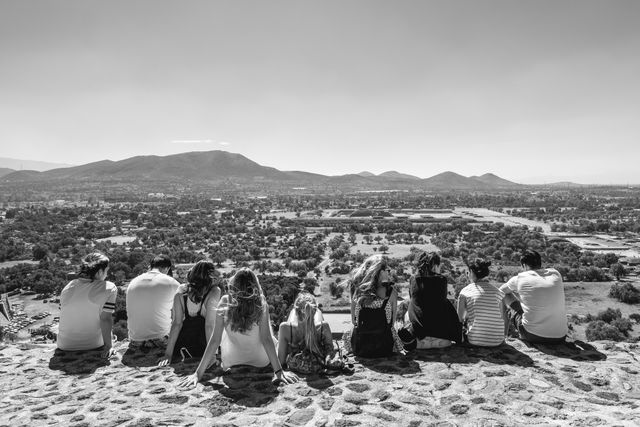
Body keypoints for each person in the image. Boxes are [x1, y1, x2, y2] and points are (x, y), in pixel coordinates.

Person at [179, 268, 298, 387]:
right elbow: (266, 339)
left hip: (233, 360)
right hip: (261, 360)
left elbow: (215, 340)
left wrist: (198, 374)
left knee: (224, 329)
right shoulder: (261, 303)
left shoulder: (225, 302)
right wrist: (278, 372)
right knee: (268, 333)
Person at [159, 260, 221, 365]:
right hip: (203, 344)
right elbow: (209, 325)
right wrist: (212, 356)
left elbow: (177, 324)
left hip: (183, 342)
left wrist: (168, 354)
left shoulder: (181, 290)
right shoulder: (214, 291)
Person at [499, 250, 567, 343]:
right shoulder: (555, 273)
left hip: (531, 335)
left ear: (524, 265)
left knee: (505, 295)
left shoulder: (520, 278)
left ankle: (503, 335)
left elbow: (501, 291)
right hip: (561, 336)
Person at [57, 252, 117, 358]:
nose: (107, 274)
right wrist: (109, 346)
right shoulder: (109, 288)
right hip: (93, 344)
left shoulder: (68, 287)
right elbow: (105, 319)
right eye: (106, 271)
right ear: (99, 272)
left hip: (64, 345)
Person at [398, 252, 462, 350]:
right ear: (435, 266)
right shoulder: (442, 280)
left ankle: (417, 337)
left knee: (409, 309)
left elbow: (413, 300)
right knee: (446, 305)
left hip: (419, 341)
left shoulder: (413, 280)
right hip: (443, 340)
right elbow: (438, 301)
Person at [343, 254, 403, 357]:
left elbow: (354, 320)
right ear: (381, 272)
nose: (389, 273)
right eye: (387, 270)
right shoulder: (391, 292)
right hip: (384, 347)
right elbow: (392, 323)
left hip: (361, 347)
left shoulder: (356, 291)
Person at [126, 254, 180, 348]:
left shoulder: (133, 281)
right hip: (161, 338)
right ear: (167, 268)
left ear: (151, 267)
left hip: (135, 340)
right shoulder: (170, 282)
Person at [277, 291, 335, 374]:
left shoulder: (285, 328)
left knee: (293, 313)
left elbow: (281, 362)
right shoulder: (324, 327)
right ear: (313, 312)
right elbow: (331, 353)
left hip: (296, 359)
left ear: (297, 312)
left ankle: (303, 311)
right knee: (319, 312)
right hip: (317, 362)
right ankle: (310, 313)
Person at [457, 258, 507, 347]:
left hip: (474, 340)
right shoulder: (498, 292)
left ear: (471, 273)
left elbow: (459, 319)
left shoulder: (465, 292)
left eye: (468, 272)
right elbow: (503, 316)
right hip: (497, 341)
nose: (467, 275)